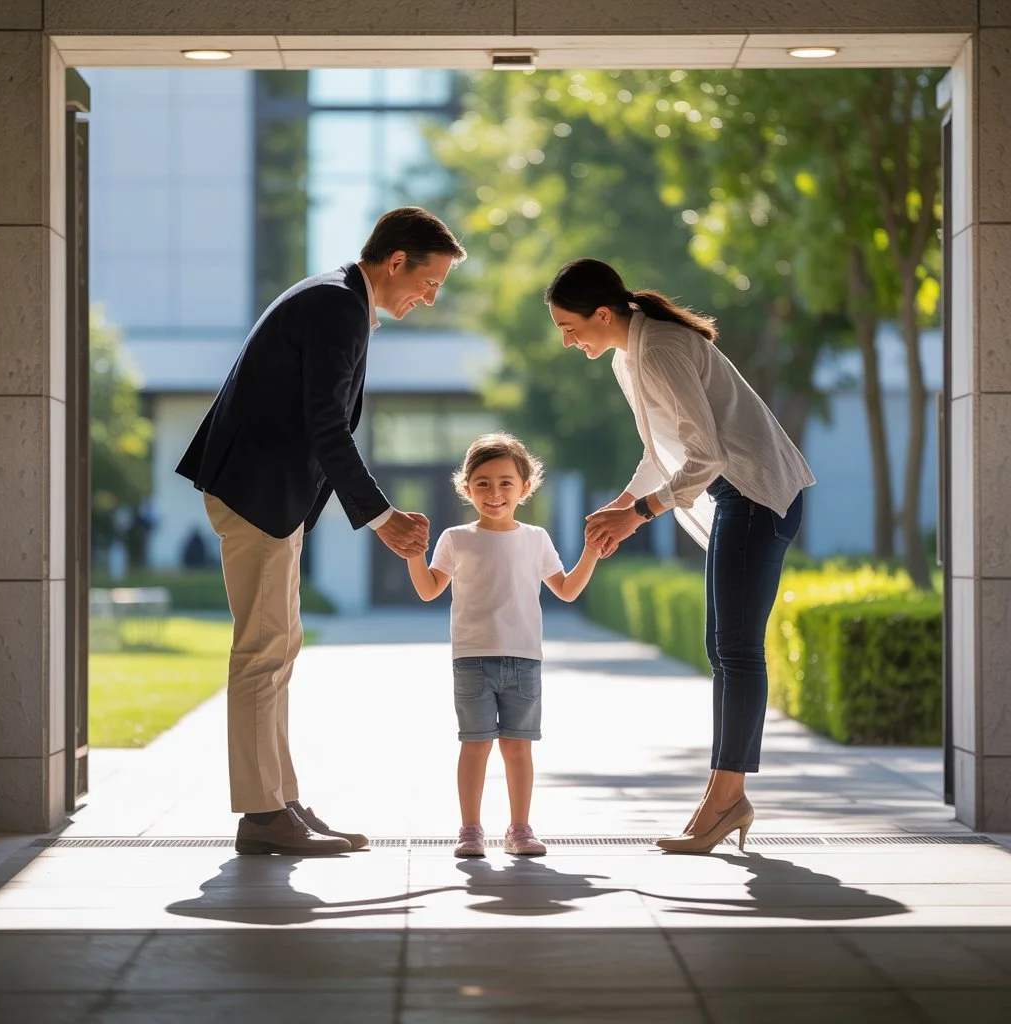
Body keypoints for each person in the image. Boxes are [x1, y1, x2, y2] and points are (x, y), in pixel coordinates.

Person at [176, 207, 466, 857]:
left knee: (277, 649)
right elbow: (326, 425)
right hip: (256, 494)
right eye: (430, 282)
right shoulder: (337, 305)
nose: (430, 298)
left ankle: (280, 802)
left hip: (264, 495)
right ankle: (262, 813)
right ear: (397, 262)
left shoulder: (338, 299)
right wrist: (383, 517)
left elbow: (317, 421)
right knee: (263, 652)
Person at [545, 258, 815, 854]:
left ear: (603, 314)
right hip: (737, 496)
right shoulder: (627, 356)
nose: (567, 341)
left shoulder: (661, 348)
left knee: (736, 652)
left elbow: (707, 455)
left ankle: (726, 799)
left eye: (570, 327)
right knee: (725, 650)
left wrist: (640, 514)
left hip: (755, 494)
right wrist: (623, 506)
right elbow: (661, 451)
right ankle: (724, 797)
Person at [406, 432, 601, 858]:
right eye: (483, 483)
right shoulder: (456, 538)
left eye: (505, 483)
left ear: (525, 487)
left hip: (525, 660)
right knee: (475, 745)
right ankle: (470, 830)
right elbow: (428, 589)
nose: (494, 493)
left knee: (517, 747)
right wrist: (412, 553)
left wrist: (590, 552)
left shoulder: (536, 539)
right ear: (466, 487)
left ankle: (520, 829)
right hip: (472, 660)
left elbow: (567, 589)